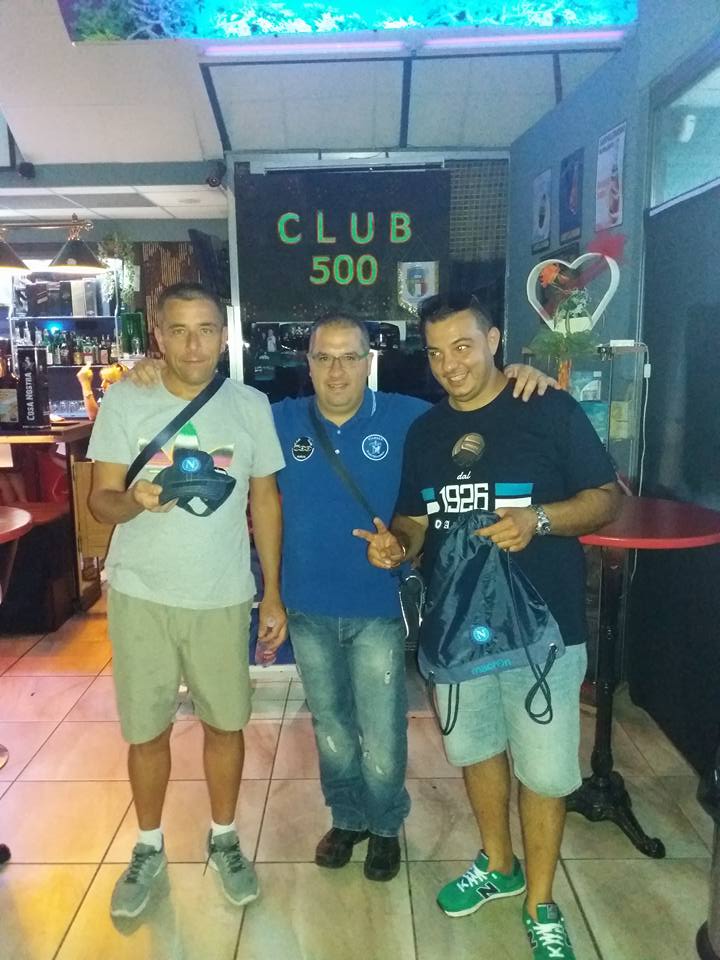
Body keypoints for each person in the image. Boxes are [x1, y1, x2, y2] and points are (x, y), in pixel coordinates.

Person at [129, 310, 555, 885]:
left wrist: (523, 375)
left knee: (381, 729)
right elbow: (205, 414)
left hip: (378, 605)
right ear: (307, 364)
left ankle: (386, 825)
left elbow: (477, 409)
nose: (337, 371)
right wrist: (150, 374)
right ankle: (349, 817)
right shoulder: (277, 418)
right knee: (329, 726)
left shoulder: (408, 416)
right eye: (324, 358)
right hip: (307, 604)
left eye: (350, 357)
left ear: (368, 361)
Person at [355, 293, 620, 958]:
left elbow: (606, 498)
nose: (450, 364)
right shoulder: (427, 432)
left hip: (543, 633)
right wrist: (397, 544)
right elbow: (416, 518)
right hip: (458, 627)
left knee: (545, 773)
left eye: (463, 346)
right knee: (476, 752)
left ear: (494, 340)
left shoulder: (547, 407)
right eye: (436, 352)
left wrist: (541, 520)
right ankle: (499, 865)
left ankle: (541, 901)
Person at [87, 282, 286, 920]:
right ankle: (148, 846)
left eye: (205, 330)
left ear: (224, 335)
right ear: (158, 335)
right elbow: (100, 502)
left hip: (221, 594)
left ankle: (224, 838)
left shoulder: (251, 405)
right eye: (178, 330)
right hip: (140, 593)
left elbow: (265, 499)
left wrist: (273, 592)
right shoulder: (127, 398)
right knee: (146, 729)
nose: (193, 345)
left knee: (226, 723)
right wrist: (133, 501)